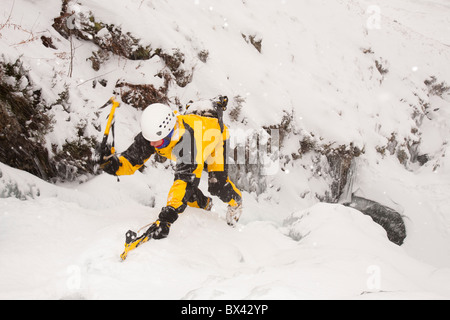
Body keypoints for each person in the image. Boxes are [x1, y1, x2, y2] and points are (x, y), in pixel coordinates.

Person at [102, 98, 243, 240]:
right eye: (149, 140)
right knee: (188, 194)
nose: (152, 144)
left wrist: (167, 216)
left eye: (157, 142)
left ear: (170, 133)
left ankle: (236, 202)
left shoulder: (188, 143)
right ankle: (205, 205)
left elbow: (184, 182)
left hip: (214, 139)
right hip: (196, 131)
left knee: (217, 186)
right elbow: (132, 159)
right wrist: (114, 166)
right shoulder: (155, 134)